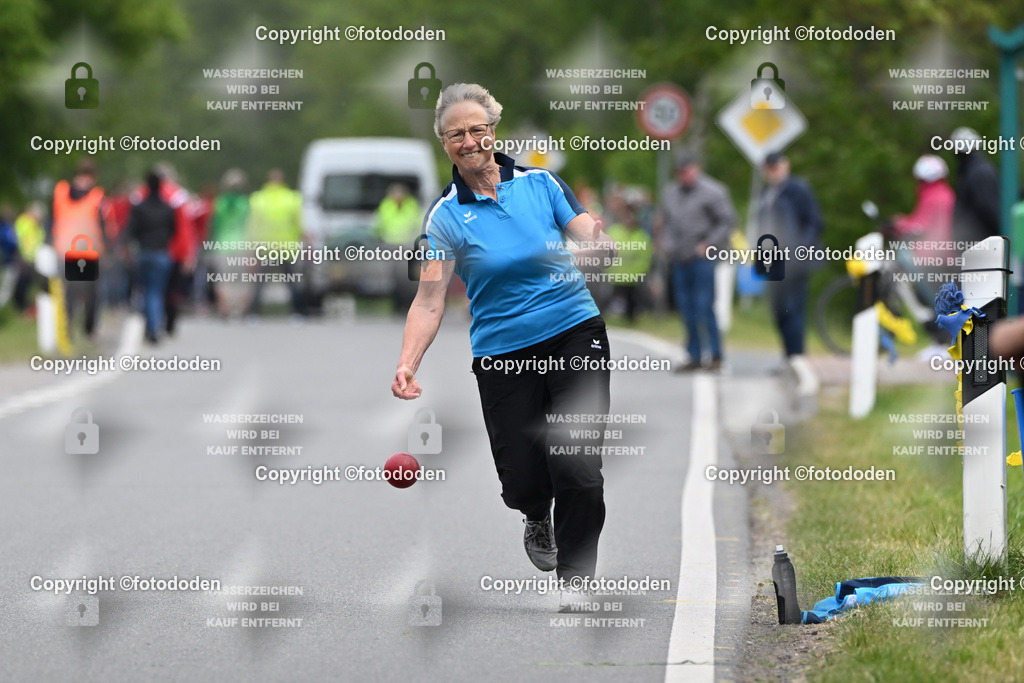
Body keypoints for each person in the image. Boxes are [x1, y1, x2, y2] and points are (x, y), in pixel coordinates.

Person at [390, 83, 616, 612]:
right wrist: (407, 362)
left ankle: (576, 580)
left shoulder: (540, 184)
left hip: (574, 332)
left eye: (477, 129)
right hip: (503, 354)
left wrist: (599, 246)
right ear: (444, 145)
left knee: (577, 465)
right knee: (522, 478)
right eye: (455, 135)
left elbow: (588, 234)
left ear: (493, 130)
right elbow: (428, 300)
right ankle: (536, 514)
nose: (469, 141)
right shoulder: (444, 217)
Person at [655, 153, 736, 371]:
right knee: (686, 307)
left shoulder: (714, 191)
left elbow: (727, 221)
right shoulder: (670, 193)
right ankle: (695, 355)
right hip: (679, 257)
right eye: (681, 172)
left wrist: (709, 243)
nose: (685, 176)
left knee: (704, 306)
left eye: (688, 171)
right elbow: (666, 222)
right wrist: (666, 245)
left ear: (696, 169)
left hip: (703, 257)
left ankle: (716, 355)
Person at [758, 151, 823, 360]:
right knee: (780, 311)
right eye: (769, 168)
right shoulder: (766, 193)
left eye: (776, 167)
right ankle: (788, 356)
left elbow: (814, 222)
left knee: (793, 309)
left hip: (795, 261)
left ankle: (797, 357)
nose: (773, 172)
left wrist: (800, 250)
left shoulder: (798, 190)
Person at [52, 161, 106, 339]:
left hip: (65, 248)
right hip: (88, 249)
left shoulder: (61, 191)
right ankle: (89, 330)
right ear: (94, 176)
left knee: (69, 292)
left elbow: (54, 218)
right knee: (91, 293)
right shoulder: (97, 195)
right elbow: (103, 225)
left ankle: (67, 330)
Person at [246, 169, 304, 317]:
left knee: (259, 282)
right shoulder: (292, 198)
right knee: (292, 280)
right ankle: (298, 312)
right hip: (286, 246)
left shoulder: (258, 199)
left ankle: (254, 313)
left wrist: (251, 246)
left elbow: (253, 225)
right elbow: (298, 224)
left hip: (265, 246)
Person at [126, 171, 176, 343]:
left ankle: (151, 326)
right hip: (161, 253)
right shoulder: (167, 208)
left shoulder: (140, 207)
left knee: (147, 291)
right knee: (157, 291)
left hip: (145, 252)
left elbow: (131, 231)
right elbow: (173, 230)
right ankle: (154, 326)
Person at [207, 169, 250, 318]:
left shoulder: (219, 203)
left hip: (222, 245)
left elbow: (214, 226)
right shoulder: (245, 204)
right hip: (241, 244)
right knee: (242, 280)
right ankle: (240, 309)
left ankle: (224, 309)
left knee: (222, 279)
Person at [950, 127, 1000, 248]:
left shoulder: (978, 173)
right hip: (978, 243)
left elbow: (988, 208)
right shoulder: (973, 170)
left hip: (982, 244)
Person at [604, 199, 651, 322]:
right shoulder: (614, 231)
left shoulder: (641, 235)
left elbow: (645, 258)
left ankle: (632, 315)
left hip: (633, 277)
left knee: (633, 299)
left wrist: (636, 273)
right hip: (615, 276)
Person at [12, 201, 47, 313]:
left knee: (28, 283)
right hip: (23, 257)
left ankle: (26, 306)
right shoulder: (24, 221)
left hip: (33, 258)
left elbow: (40, 238)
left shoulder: (36, 224)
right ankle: (19, 306)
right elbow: (19, 239)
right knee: (22, 283)